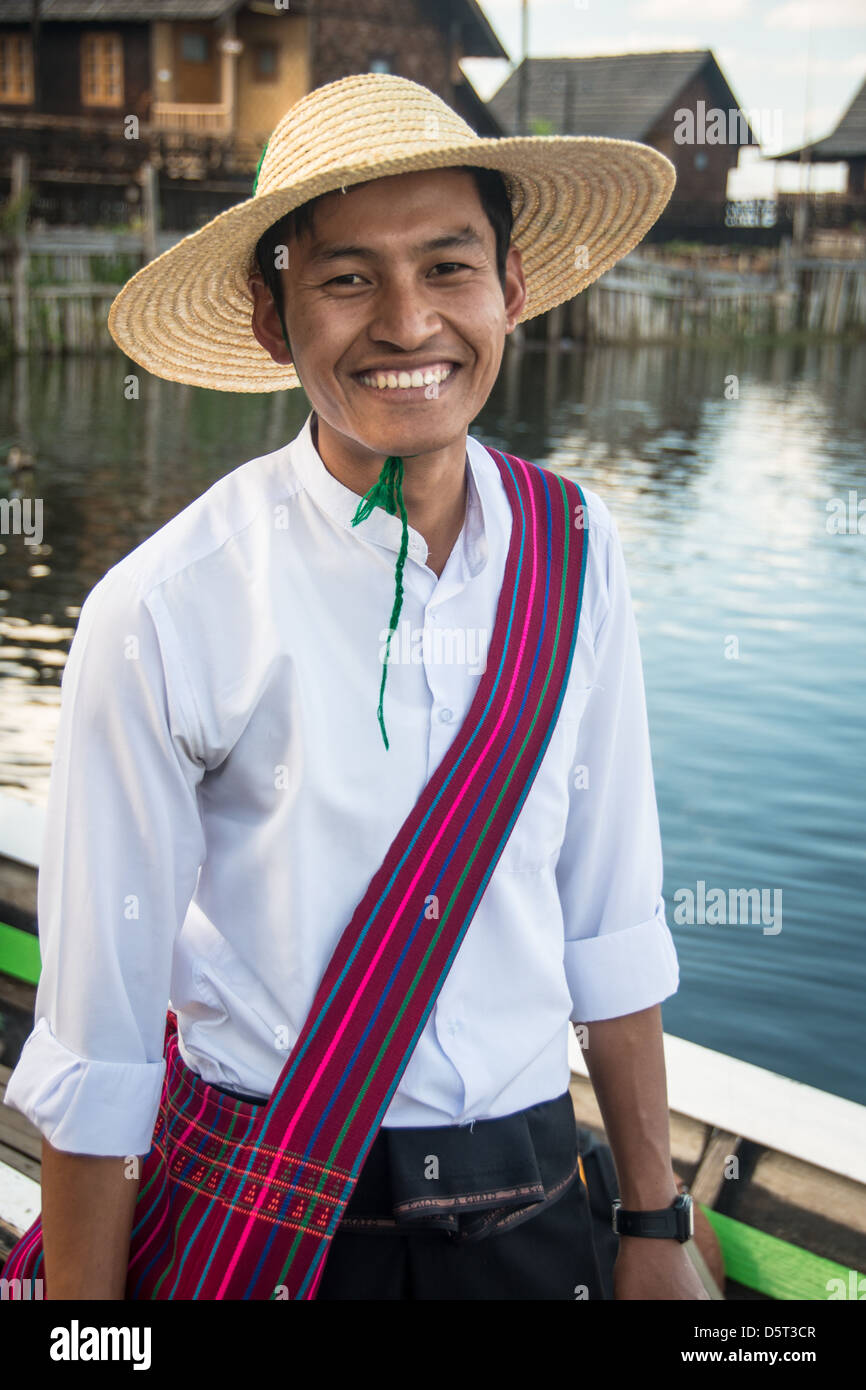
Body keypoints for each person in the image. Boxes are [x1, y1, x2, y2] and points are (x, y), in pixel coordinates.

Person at [4, 74, 707, 1300]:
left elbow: (608, 920)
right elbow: (100, 1041)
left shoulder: (576, 547)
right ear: (274, 320)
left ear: (511, 289)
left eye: (447, 267)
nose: (406, 322)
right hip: (282, 1226)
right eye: (345, 279)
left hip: (544, 1211)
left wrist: (652, 1220)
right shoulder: (166, 607)